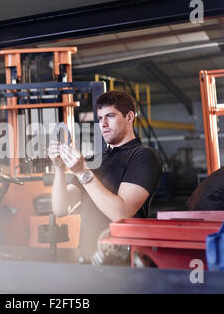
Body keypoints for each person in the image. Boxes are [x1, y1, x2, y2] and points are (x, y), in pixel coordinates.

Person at [49, 90, 162, 260]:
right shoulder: (93, 161)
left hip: (123, 262)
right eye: (100, 118)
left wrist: (82, 172)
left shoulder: (143, 157)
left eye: (110, 116)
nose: (103, 124)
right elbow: (60, 209)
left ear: (129, 117)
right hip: (88, 258)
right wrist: (59, 168)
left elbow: (121, 213)